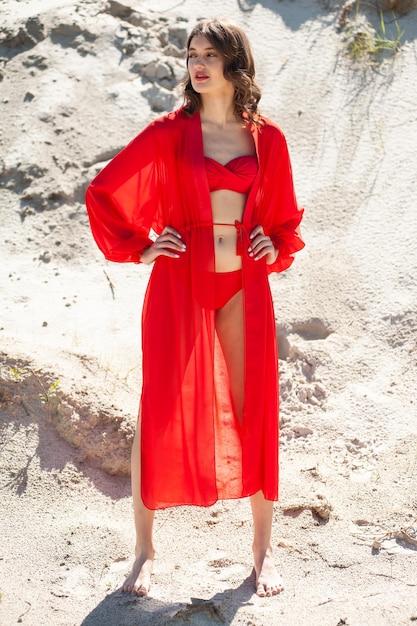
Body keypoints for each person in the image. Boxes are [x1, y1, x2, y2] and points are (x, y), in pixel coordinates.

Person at [86, 18, 304, 598]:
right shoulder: (167, 132)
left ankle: (262, 552)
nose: (198, 64)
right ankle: (143, 553)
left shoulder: (267, 138)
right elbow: (105, 192)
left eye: (210, 54)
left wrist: (272, 243)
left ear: (235, 62)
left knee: (253, 410)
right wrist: (143, 245)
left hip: (245, 288)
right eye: (192, 54)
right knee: (158, 409)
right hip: (180, 285)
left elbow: (283, 218)